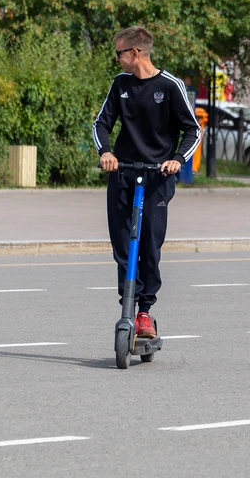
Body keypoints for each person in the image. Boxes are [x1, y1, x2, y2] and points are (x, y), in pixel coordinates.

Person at [92, 26, 200, 338]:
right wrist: (106, 151)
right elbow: (101, 123)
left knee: (150, 246)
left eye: (119, 53)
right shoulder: (120, 84)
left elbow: (192, 129)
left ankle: (144, 312)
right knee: (123, 247)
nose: (117, 59)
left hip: (157, 178)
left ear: (136, 53)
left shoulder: (170, 86)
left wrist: (177, 159)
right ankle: (127, 304)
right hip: (123, 173)